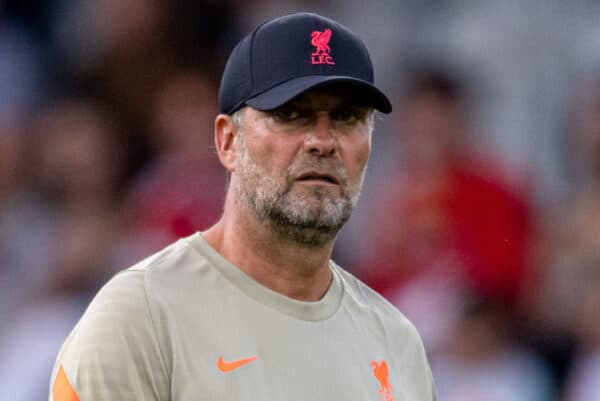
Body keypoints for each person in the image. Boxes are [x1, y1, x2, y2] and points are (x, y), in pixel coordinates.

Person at [49, 12, 437, 401]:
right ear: (228, 142)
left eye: (347, 117)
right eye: (291, 114)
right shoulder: (141, 316)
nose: (323, 140)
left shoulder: (395, 341)